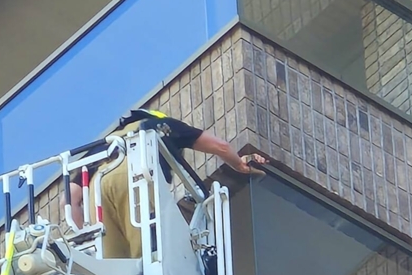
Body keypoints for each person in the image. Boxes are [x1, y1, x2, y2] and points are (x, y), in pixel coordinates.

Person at [69, 109, 267, 259]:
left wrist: (86, 236)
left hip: (98, 186)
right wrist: (239, 164)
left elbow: (69, 198)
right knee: (150, 254)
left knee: (114, 265)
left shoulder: (107, 143)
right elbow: (221, 146)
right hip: (134, 173)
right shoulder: (159, 124)